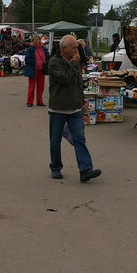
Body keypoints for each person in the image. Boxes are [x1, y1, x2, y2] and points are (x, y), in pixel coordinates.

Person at [47, 35, 101, 182]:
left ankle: (85, 170)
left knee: (79, 139)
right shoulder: (54, 63)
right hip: (58, 108)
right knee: (55, 140)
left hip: (75, 108)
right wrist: (75, 64)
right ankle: (56, 167)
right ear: (64, 49)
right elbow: (66, 79)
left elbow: (77, 82)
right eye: (74, 47)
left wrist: (82, 100)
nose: (77, 50)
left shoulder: (74, 62)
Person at [24, 35, 50, 107]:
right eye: (35, 40)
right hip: (33, 69)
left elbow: (48, 57)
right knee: (32, 86)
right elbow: (27, 59)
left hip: (41, 70)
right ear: (33, 41)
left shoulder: (43, 48)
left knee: (41, 86)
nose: (36, 41)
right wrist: (35, 62)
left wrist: (45, 62)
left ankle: (39, 101)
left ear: (40, 40)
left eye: (38, 39)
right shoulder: (30, 49)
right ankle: (29, 102)